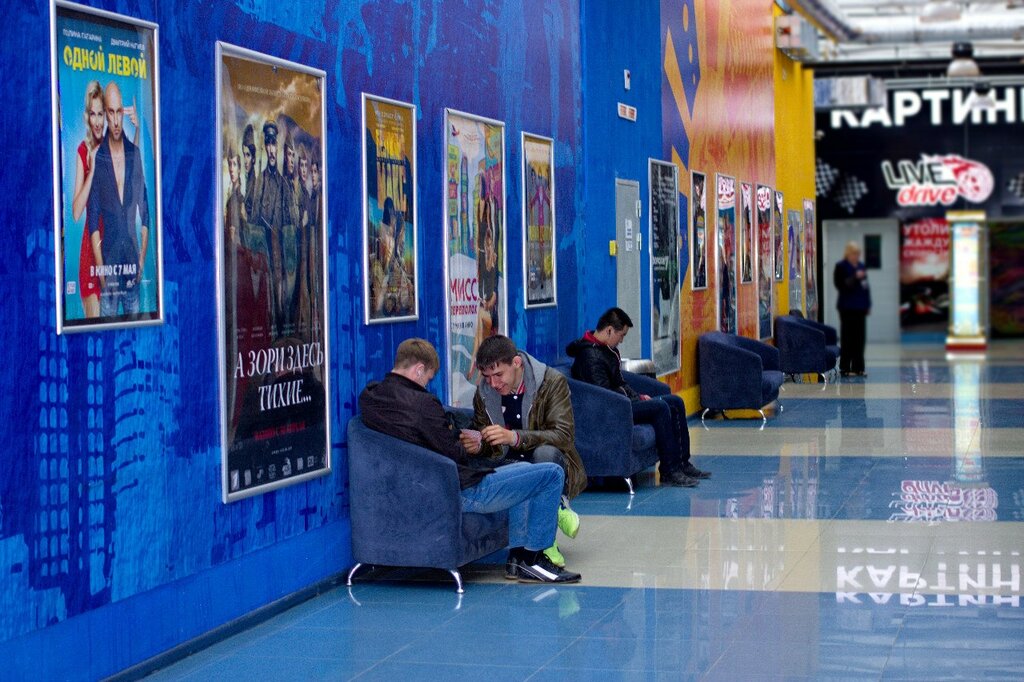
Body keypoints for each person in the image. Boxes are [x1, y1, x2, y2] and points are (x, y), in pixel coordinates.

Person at [360, 339, 581, 584]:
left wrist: (493, 439)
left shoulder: (370, 396)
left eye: (498, 375)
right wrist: (468, 444)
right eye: (428, 378)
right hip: (458, 489)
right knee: (550, 474)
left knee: (527, 469)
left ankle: (517, 559)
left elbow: (563, 435)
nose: (427, 385)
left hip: (418, 486)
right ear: (419, 369)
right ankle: (535, 558)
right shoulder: (423, 404)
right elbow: (453, 453)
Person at [460, 335, 587, 568]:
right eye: (487, 377)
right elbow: (487, 439)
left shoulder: (551, 383)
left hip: (549, 457)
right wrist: (480, 444)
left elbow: (564, 436)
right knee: (517, 470)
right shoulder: (485, 394)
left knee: (543, 458)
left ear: (516, 363)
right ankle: (525, 549)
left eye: (499, 375)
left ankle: (543, 544)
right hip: (509, 462)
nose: (494, 384)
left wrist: (516, 437)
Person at [566, 307, 710, 487]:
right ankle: (669, 470)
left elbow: (620, 382)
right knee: (660, 408)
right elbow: (603, 395)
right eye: (621, 335)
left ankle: (682, 462)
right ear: (609, 330)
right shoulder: (590, 356)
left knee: (675, 402)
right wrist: (631, 399)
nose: (621, 340)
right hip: (612, 410)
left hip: (622, 403)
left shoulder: (606, 351)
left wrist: (639, 396)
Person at [87, 81, 149, 318]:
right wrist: (102, 272)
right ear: (105, 112)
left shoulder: (134, 154)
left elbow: (145, 211)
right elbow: (93, 219)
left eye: (118, 112)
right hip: (109, 276)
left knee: (137, 344)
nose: (114, 120)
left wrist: (142, 258)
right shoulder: (99, 157)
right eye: (110, 112)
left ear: (123, 112)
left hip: (132, 271)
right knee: (106, 348)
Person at [71, 80, 105, 318]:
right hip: (89, 256)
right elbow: (75, 212)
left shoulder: (116, 146)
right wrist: (92, 170)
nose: (97, 121)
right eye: (92, 114)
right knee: (96, 339)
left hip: (114, 251)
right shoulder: (83, 152)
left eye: (100, 113)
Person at [253, 121, 288, 336]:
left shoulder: (284, 184)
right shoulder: (260, 182)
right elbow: (255, 217)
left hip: (282, 256)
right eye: (268, 144)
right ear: (265, 148)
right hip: (265, 253)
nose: (272, 149)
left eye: (274, 144)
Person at [834, 241, 871, 377]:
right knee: (848, 337)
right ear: (848, 253)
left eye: (858, 254)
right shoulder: (841, 267)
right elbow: (841, 285)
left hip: (860, 307)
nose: (856, 256)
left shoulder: (861, 266)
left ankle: (858, 367)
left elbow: (866, 287)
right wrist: (855, 277)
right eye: (854, 254)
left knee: (860, 338)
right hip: (847, 307)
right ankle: (845, 367)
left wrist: (868, 304)